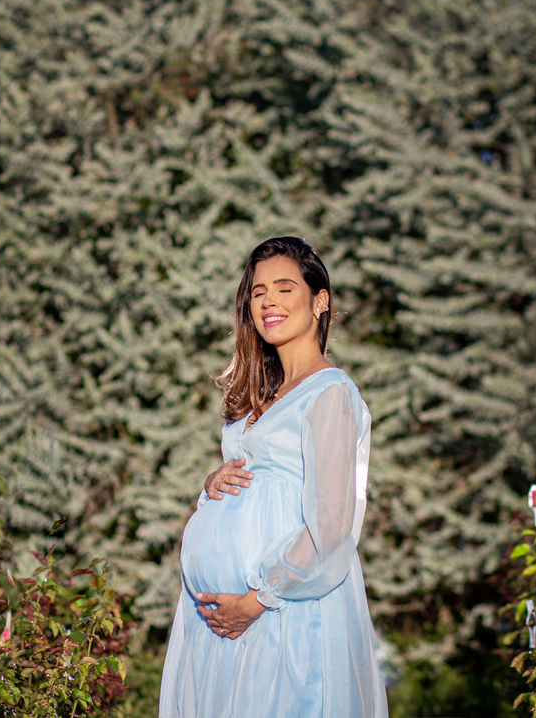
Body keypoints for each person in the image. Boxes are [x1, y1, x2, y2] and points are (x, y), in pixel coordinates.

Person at [158, 236, 388, 718]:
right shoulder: (258, 398)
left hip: (283, 613)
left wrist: (259, 598)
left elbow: (331, 525)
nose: (269, 302)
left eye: (285, 288)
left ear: (319, 300)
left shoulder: (330, 392)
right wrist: (211, 485)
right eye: (258, 291)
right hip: (220, 625)